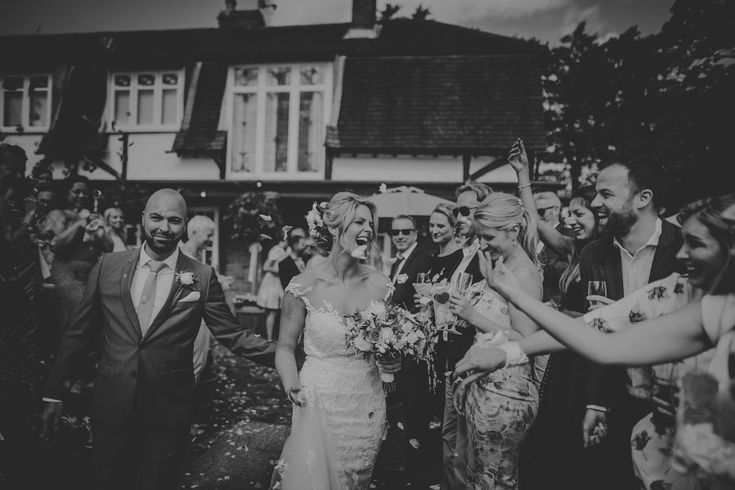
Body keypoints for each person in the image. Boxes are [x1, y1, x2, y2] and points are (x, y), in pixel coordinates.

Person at [454, 193, 735, 489]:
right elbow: (599, 336)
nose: (681, 255)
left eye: (697, 244)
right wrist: (511, 342)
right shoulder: (684, 295)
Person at [40, 189, 276, 490]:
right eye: (156, 218)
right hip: (112, 405)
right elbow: (80, 333)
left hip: (167, 412)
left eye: (174, 220)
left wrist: (286, 354)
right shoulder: (108, 266)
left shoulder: (201, 276)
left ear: (184, 223)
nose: (164, 228)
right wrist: (53, 392)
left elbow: (233, 334)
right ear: (143, 219)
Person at [272, 191, 401, 490]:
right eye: (358, 222)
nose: (368, 230)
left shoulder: (382, 284)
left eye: (370, 224)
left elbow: (389, 347)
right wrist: (292, 384)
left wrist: (394, 359)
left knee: (357, 477)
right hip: (318, 399)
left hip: (366, 402)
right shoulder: (302, 286)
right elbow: (285, 348)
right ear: (332, 228)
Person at [510, 139, 602, 489]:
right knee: (553, 431)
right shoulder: (575, 250)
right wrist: (523, 175)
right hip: (564, 352)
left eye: (580, 213)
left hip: (586, 350)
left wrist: (561, 311)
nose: (570, 220)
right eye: (570, 213)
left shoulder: (605, 258)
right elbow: (532, 221)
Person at [447, 191, 544, 489]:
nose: (483, 245)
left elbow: (524, 339)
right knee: (476, 474)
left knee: (494, 479)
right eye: (480, 237)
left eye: (488, 237)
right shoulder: (501, 264)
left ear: (514, 230)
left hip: (507, 391)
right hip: (485, 381)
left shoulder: (524, 274)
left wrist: (473, 316)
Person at [378, 214, 433, 488]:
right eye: (395, 232)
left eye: (405, 231)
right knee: (398, 406)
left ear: (415, 233)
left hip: (413, 344)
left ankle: (413, 469)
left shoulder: (424, 257)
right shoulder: (396, 261)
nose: (399, 236)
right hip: (395, 343)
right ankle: (398, 460)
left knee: (413, 407)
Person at [441, 179, 490, 490]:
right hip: (453, 355)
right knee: (449, 441)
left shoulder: (488, 256)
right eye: (457, 210)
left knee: (466, 449)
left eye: (466, 211)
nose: (459, 218)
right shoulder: (464, 253)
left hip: (474, 361)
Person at [46, 176, 113, 338]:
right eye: (77, 192)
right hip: (67, 273)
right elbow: (55, 245)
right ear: (67, 194)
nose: (82, 196)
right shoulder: (58, 214)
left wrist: (98, 229)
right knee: (74, 320)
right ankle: (66, 359)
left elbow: (109, 247)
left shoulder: (94, 216)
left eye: (85, 192)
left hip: (90, 274)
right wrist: (79, 223)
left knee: (92, 322)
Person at [179, 214, 217, 383]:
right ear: (194, 232)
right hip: (190, 319)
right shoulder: (184, 256)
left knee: (199, 364)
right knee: (194, 365)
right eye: (208, 235)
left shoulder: (194, 255)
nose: (210, 240)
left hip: (199, 317)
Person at [533, 189, 571, 304]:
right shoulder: (534, 236)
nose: (537, 217)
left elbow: (568, 269)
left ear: (556, 210)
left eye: (539, 212)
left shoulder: (567, 234)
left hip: (555, 302)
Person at [257, 240, 287, 342]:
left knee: (277, 311)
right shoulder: (277, 250)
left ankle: (274, 336)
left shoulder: (285, 250)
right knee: (273, 311)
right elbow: (266, 266)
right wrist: (282, 271)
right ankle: (269, 338)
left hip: (278, 282)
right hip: (273, 282)